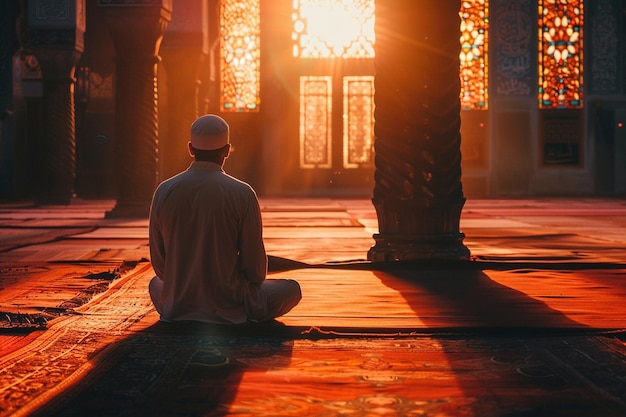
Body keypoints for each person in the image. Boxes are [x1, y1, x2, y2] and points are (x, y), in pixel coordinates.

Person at [148, 114, 301, 324]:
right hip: (230, 303)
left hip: (178, 304)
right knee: (291, 289)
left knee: (154, 284)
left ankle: (183, 309)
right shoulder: (242, 193)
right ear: (227, 150)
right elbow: (255, 272)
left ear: (191, 149)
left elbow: (161, 267)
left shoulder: (164, 190)